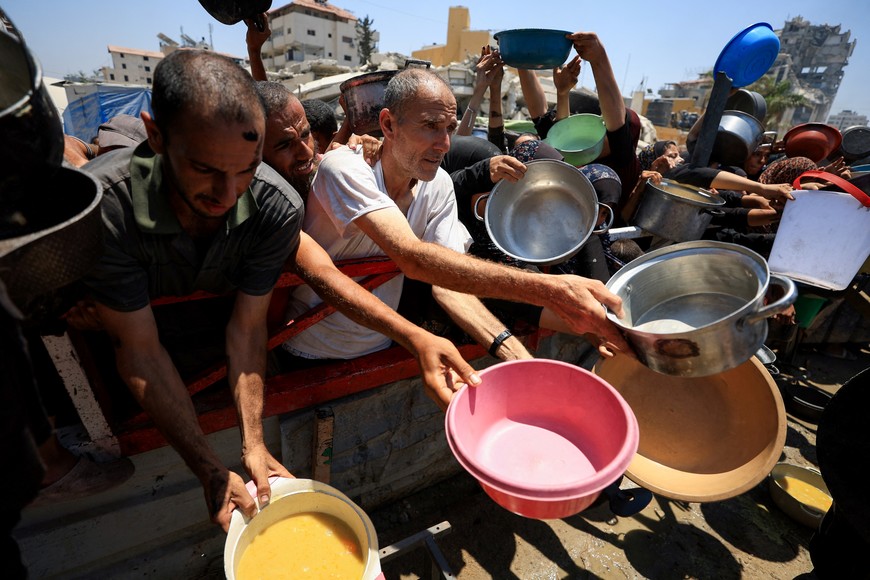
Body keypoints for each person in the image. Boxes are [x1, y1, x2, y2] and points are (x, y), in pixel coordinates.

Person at [73, 49, 303, 531]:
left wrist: (254, 442)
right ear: (155, 136)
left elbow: (248, 328)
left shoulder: (275, 206)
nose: (228, 194)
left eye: (247, 169)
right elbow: (139, 351)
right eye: (206, 170)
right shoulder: (104, 210)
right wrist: (209, 468)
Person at [293, 67, 630, 357]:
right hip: (309, 351)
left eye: (450, 128)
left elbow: (447, 286)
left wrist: (518, 358)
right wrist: (550, 289)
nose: (444, 143)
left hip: (381, 347)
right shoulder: (345, 168)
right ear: (388, 124)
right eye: (430, 125)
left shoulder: (438, 183)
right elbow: (412, 258)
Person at [254, 80, 485, 408]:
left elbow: (445, 277)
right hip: (298, 347)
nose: (306, 152)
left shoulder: (342, 165)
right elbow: (281, 299)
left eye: (306, 135)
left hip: (375, 344)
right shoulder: (269, 203)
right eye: (284, 145)